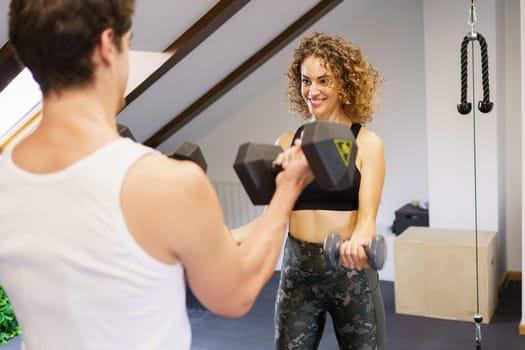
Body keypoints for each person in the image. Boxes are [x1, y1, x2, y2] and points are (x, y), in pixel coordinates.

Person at [0, 1, 314, 349]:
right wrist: (288, 189)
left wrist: (265, 219)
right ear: (107, 45)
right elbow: (234, 293)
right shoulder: (164, 181)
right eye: (128, 43)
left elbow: (133, 253)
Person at [273, 32, 386, 349]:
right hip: (297, 275)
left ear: (345, 84)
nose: (313, 91)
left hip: (348, 276)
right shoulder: (285, 143)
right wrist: (226, 235)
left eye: (324, 80)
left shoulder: (367, 144)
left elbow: (367, 220)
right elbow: (274, 216)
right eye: (306, 81)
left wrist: (359, 241)